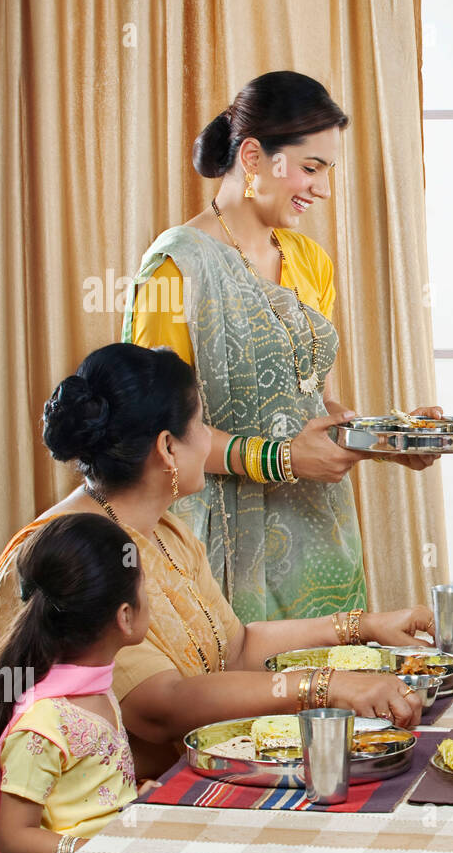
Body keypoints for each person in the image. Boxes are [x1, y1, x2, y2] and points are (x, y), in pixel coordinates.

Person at [0, 344, 428, 779]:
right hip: (100, 820)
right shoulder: (74, 549)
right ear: (167, 448)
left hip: (183, 780)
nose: (209, 441)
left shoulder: (166, 530)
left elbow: (237, 647)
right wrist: (325, 685)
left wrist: (363, 627)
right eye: (202, 425)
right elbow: (159, 707)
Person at [122, 70, 435, 624]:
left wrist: (391, 436)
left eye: (327, 170)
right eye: (311, 168)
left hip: (319, 537)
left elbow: (319, 410)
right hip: (218, 543)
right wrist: (283, 459)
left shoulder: (310, 262)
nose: (323, 188)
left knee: (333, 699)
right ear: (252, 156)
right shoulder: (177, 269)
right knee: (240, 707)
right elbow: (154, 439)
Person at [0, 515, 146, 853]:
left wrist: (136, 802)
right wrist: (95, 852)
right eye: (145, 588)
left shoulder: (97, 690)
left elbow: (91, 795)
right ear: (124, 616)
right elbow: (13, 837)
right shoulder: (44, 724)